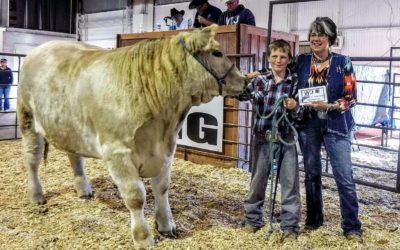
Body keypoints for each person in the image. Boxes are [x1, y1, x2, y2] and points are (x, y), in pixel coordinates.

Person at [295, 17, 362, 242]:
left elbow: (352, 98)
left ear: (330, 38)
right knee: (311, 174)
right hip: (309, 125)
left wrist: (331, 106)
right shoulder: (302, 61)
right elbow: (280, 73)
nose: (316, 38)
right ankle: (314, 221)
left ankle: (352, 227)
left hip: (337, 125)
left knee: (344, 176)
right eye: (313, 34)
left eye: (321, 34)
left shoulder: (343, 62)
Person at [239, 40, 300, 242]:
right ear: (268, 58)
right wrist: (244, 78)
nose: (278, 60)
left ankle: (290, 226)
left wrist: (295, 107)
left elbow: (302, 114)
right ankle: (252, 220)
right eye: (274, 56)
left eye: (283, 57)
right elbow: (240, 94)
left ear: (289, 59)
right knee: (258, 180)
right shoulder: (260, 79)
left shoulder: (295, 81)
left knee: (290, 182)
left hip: (286, 137)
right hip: (262, 136)